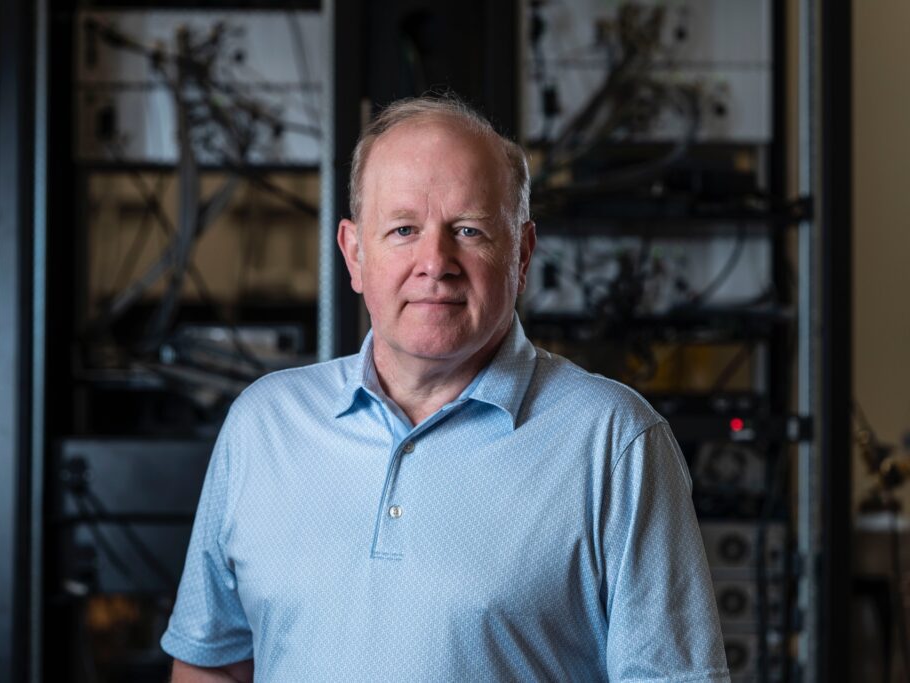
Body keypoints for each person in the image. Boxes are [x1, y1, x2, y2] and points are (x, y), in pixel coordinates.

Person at [161, 95, 729, 682]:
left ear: (523, 254)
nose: (436, 262)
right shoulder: (263, 424)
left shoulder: (612, 442)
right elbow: (213, 666)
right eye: (404, 229)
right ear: (354, 254)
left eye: (468, 230)